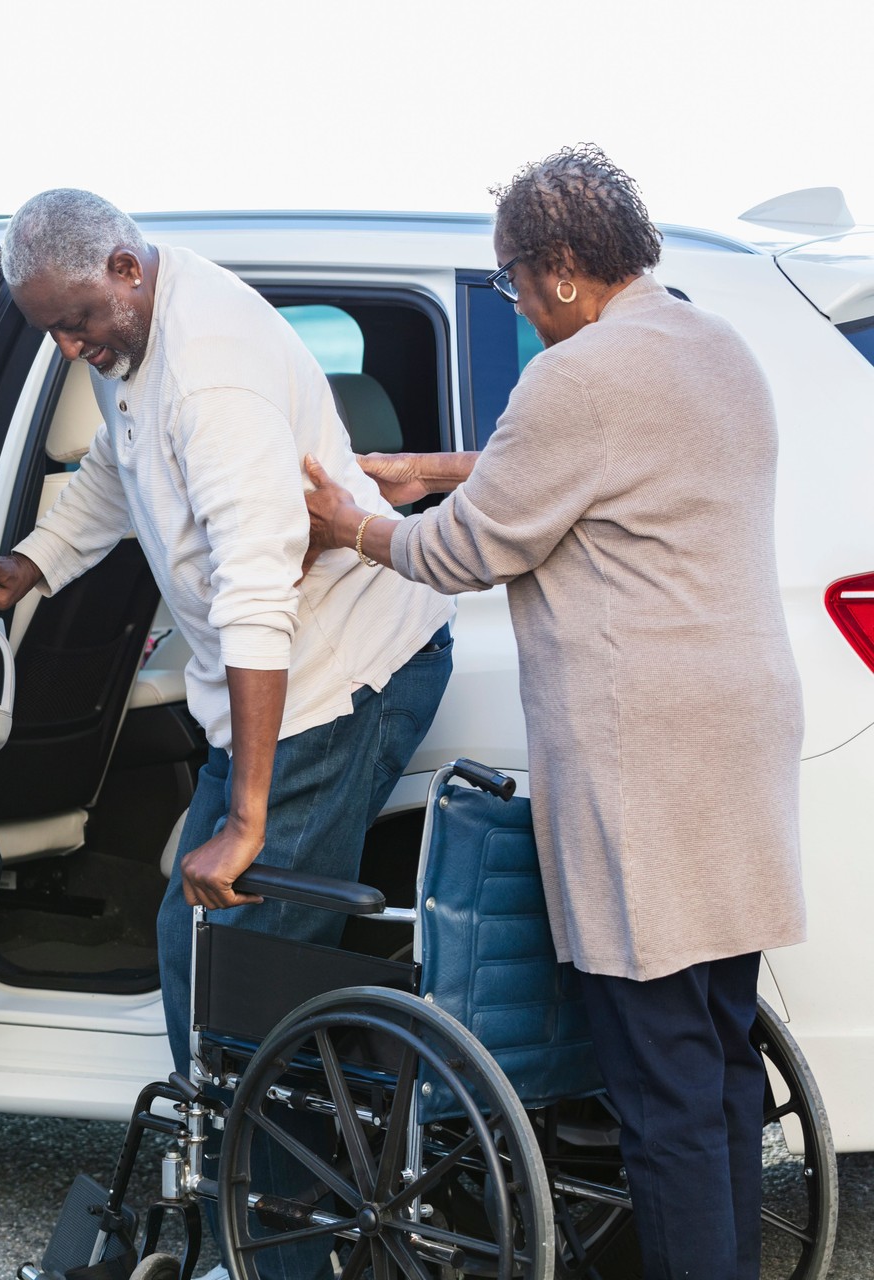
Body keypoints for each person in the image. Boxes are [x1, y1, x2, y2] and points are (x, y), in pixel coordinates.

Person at [0, 188, 453, 1277]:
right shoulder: (136, 339)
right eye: (51, 332)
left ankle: (275, 1244)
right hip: (283, 677)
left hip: (334, 675)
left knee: (239, 964)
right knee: (211, 948)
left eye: (78, 321)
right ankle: (257, 1217)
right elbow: (116, 475)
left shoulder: (211, 380)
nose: (70, 346)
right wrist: (30, 566)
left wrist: (249, 817)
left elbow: (261, 598)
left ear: (126, 265)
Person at [304, 145, 805, 1280]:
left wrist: (355, 526)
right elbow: (606, 469)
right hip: (734, 744)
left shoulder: (575, 379)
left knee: (655, 1082)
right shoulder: (710, 343)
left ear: (565, 269)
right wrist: (444, 461)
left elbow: (470, 547)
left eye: (513, 281)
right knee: (717, 1055)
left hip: (650, 756)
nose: (515, 303)